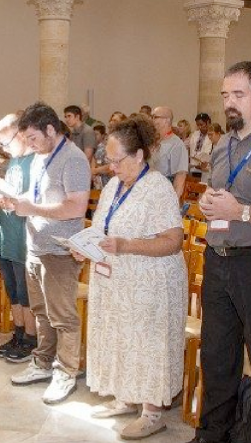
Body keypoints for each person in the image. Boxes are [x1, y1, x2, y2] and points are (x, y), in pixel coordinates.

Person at [72, 116, 186, 440]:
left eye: (117, 160)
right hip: (116, 281)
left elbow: (173, 241)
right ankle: (126, 395)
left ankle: (152, 413)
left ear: (138, 155)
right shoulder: (113, 186)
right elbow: (102, 228)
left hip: (150, 283)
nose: (111, 167)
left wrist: (126, 245)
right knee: (120, 337)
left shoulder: (157, 188)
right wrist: (85, 247)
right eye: (108, 160)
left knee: (147, 344)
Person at [187, 61, 251, 443]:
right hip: (218, 259)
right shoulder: (224, 144)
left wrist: (240, 212)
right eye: (225, 95)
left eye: (239, 94)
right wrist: (207, 201)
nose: (228, 103)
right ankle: (212, 433)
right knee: (217, 355)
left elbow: (239, 207)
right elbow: (217, 191)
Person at [6, 102, 90, 405]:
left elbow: (75, 207)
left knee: (62, 316)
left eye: (33, 137)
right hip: (36, 245)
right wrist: (15, 201)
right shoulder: (41, 157)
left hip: (60, 250)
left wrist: (32, 208)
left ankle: (66, 371)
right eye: (26, 139)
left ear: (50, 130)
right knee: (41, 311)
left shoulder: (74, 159)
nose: (29, 144)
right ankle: (43, 362)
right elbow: (39, 196)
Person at [0, 114, 37, 362]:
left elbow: (37, 199)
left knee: (24, 289)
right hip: (5, 229)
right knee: (12, 287)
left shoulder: (37, 160)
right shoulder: (15, 161)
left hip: (22, 234)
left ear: (21, 134)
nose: (3, 148)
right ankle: (18, 333)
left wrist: (14, 201)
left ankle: (31, 339)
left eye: (5, 142)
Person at [151, 106, 188, 199]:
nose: (151, 120)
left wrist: (173, 202)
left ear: (166, 120)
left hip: (164, 195)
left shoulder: (176, 144)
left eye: (155, 117)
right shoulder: (153, 141)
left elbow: (180, 176)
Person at [189, 113, 213, 179]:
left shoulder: (212, 135)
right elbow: (192, 150)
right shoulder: (195, 134)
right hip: (194, 168)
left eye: (201, 124)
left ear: (208, 122)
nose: (199, 127)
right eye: (198, 125)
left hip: (206, 169)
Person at [91, 123, 111, 189]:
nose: (94, 136)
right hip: (97, 180)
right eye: (93, 135)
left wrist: (95, 170)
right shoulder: (95, 147)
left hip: (106, 180)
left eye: (96, 134)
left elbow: (109, 166)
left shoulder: (105, 148)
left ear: (103, 135)